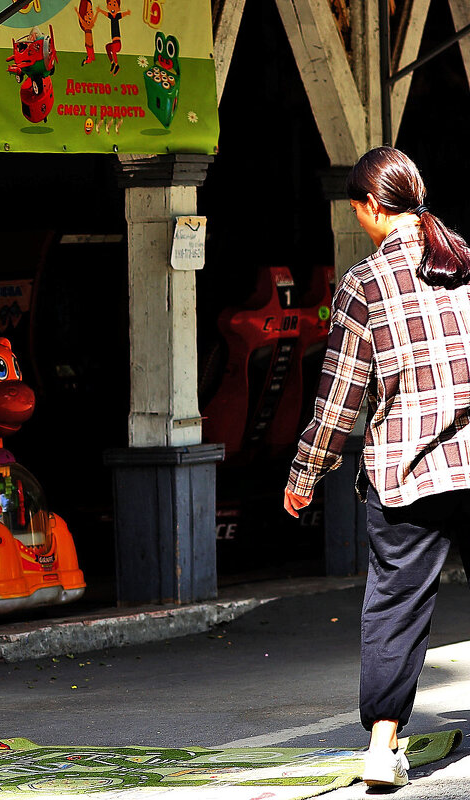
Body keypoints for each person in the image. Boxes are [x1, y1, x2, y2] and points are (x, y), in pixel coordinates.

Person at [284, 146, 470, 787]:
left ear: (369, 208)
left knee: (396, 606)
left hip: (407, 469)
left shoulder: (363, 285)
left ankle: (383, 747)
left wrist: (305, 476)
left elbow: (340, 399)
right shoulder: (465, 263)